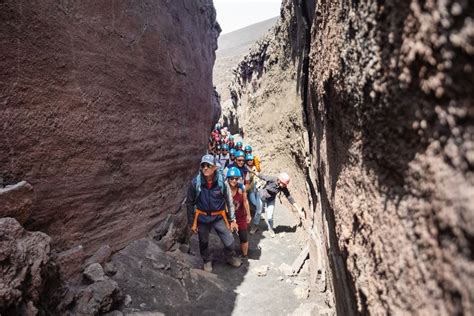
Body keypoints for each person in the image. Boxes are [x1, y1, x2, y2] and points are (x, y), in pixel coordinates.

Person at [186, 154, 241, 272]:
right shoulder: (195, 183)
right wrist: (192, 222)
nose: (205, 168)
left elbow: (229, 201)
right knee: (203, 242)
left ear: (215, 167)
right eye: (203, 165)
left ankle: (229, 256)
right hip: (202, 217)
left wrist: (232, 220)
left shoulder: (222, 183)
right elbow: (189, 203)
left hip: (218, 217)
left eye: (208, 165)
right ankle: (207, 261)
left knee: (230, 242)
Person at [249, 172, 304, 237]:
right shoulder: (272, 179)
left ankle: (271, 229)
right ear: (279, 180)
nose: (284, 186)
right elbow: (262, 176)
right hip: (261, 196)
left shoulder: (283, 187)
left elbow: (289, 197)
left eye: (285, 184)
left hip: (271, 200)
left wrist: (299, 210)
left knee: (270, 216)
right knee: (258, 212)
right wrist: (253, 172)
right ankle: (255, 226)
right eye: (283, 184)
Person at [226, 167, 251, 258]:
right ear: (228, 178)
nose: (234, 180)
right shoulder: (224, 188)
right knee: (228, 238)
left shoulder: (241, 188)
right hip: (228, 218)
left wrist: (248, 214)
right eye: (232, 178)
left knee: (243, 237)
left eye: (236, 178)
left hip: (241, 216)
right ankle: (230, 256)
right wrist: (231, 220)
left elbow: (245, 201)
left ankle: (245, 255)